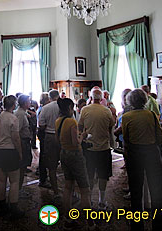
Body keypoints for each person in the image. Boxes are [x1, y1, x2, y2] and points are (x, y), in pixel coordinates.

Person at [121, 89, 162, 230]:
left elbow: (126, 138)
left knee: (135, 190)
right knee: (156, 189)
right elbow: (161, 137)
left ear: (130, 101)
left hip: (135, 154)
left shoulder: (127, 116)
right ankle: (158, 224)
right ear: (144, 100)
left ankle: (137, 224)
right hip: (152, 153)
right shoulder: (151, 115)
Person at [0, 95, 24, 219]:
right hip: (10, 151)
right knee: (14, 181)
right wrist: (20, 152)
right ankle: (14, 207)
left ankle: (2, 207)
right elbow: (16, 138)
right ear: (14, 105)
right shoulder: (13, 118)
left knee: (0, 180)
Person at [55, 98, 92, 229]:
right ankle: (89, 221)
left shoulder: (58, 121)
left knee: (68, 187)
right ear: (70, 108)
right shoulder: (71, 121)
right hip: (75, 155)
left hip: (64, 154)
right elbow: (75, 142)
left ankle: (68, 218)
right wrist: (84, 135)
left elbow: (58, 139)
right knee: (85, 189)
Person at [79, 88, 116, 209]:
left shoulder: (85, 109)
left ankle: (88, 199)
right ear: (101, 99)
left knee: (89, 173)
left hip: (89, 148)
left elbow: (80, 125)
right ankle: (102, 200)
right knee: (103, 175)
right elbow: (111, 125)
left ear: (91, 98)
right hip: (104, 147)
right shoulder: (106, 111)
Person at [37, 89, 61, 200]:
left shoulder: (46, 108)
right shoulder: (63, 106)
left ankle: (56, 191)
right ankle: (68, 188)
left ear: (50, 97)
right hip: (63, 136)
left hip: (50, 136)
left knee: (52, 165)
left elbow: (41, 125)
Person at [15, 94, 33, 188]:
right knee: (21, 165)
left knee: (23, 165)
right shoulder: (20, 114)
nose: (30, 103)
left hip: (24, 140)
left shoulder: (23, 112)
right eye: (29, 101)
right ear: (25, 103)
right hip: (22, 141)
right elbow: (17, 130)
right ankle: (18, 187)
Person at [37, 92, 50, 186]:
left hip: (42, 134)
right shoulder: (43, 109)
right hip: (43, 134)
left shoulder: (41, 108)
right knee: (44, 156)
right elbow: (42, 125)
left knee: (44, 156)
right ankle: (43, 178)